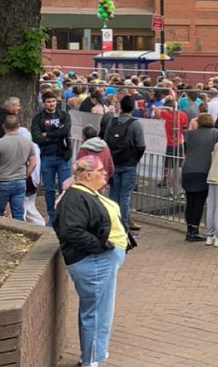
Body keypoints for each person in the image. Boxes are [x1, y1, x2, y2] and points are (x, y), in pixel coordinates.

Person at [54, 155, 130, 367]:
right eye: (101, 171)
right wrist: (101, 246)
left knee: (98, 310)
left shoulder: (85, 194)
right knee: (97, 313)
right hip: (94, 261)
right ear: (88, 175)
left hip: (100, 260)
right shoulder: (77, 197)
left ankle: (92, 355)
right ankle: (92, 360)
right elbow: (71, 230)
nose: (105, 174)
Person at [102, 95, 146, 234]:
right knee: (125, 196)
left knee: (114, 195)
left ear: (120, 106)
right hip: (129, 164)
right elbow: (141, 145)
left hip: (114, 163)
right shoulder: (135, 123)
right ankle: (124, 226)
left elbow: (105, 141)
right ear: (133, 107)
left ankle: (113, 224)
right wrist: (134, 160)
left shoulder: (112, 121)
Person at [31, 91, 72, 223]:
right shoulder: (38, 118)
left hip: (63, 156)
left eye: (53, 101)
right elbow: (37, 137)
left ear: (57, 101)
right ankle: (52, 216)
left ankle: (64, 215)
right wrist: (56, 135)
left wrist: (47, 135)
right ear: (44, 103)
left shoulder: (64, 115)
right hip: (46, 157)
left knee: (64, 188)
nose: (51, 104)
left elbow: (65, 131)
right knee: (49, 189)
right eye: (48, 101)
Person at [181, 113, 218, 243]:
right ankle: (194, 231)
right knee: (199, 203)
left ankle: (189, 230)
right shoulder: (216, 133)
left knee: (190, 202)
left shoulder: (191, 134)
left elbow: (186, 149)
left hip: (188, 170)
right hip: (203, 170)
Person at [0, 115, 37, 221]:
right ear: (19, 126)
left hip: (2, 181)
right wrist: (25, 176)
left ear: (3, 126)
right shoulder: (28, 142)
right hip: (20, 181)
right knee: (18, 213)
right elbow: (33, 163)